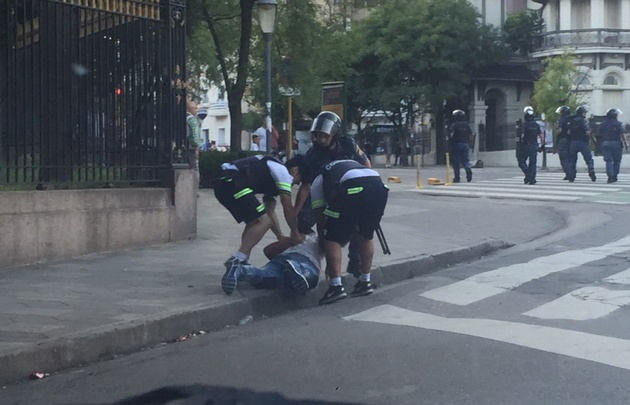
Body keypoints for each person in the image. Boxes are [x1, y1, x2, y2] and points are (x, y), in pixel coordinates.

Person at [294, 111, 371, 279]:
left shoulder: (348, 145)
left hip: (349, 192)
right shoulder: (312, 155)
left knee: (357, 226)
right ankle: (309, 258)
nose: (321, 140)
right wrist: (294, 214)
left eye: (325, 136)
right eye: (318, 136)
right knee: (304, 221)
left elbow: (366, 164)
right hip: (323, 192)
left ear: (334, 134)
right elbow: (306, 186)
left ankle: (355, 262)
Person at [215, 155, 303, 294]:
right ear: (294, 170)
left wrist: (280, 236)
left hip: (224, 184)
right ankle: (237, 260)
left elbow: (270, 211)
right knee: (263, 221)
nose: (296, 185)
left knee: (255, 222)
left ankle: (241, 264)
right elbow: (287, 207)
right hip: (234, 183)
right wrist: (295, 233)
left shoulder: (271, 173)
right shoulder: (283, 173)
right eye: (299, 181)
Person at [311, 159, 389, 305]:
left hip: (353, 187)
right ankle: (365, 282)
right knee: (365, 235)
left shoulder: (317, 181)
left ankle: (335, 286)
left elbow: (319, 214)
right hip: (379, 186)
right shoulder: (344, 164)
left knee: (331, 236)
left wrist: (324, 238)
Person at [220, 230, 322, 295]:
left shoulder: (296, 241)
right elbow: (332, 252)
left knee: (263, 276)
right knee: (312, 278)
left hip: (280, 259)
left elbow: (269, 250)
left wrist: (285, 243)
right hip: (304, 260)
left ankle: (240, 270)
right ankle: (297, 269)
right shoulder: (315, 241)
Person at [567, 105, 596, 182]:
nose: (585, 114)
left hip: (573, 142)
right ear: (581, 113)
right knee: (588, 159)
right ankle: (591, 171)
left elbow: (568, 132)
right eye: (584, 113)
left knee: (572, 160)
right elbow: (587, 131)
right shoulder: (583, 121)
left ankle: (572, 176)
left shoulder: (572, 121)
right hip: (583, 142)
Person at [517, 106, 544, 185]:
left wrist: (519, 145)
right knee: (533, 163)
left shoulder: (524, 125)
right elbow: (541, 136)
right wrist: (541, 146)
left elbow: (521, 136)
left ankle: (528, 175)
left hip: (525, 145)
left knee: (521, 161)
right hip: (534, 145)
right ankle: (531, 178)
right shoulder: (536, 125)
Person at [447, 110, 474, 183]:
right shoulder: (466, 125)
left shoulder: (454, 125)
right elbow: (471, 135)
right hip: (465, 144)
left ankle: (457, 178)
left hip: (456, 144)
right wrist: (470, 143)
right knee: (466, 160)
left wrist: (449, 143)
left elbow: (451, 136)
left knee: (456, 162)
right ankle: (468, 169)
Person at [600, 108, 625, 183]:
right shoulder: (618, 124)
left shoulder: (603, 124)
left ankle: (610, 176)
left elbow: (598, 134)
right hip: (616, 143)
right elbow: (622, 134)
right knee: (617, 161)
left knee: (608, 160)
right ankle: (614, 176)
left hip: (606, 143)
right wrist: (626, 144)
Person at [554, 105, 572, 180]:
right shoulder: (571, 119)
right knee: (569, 157)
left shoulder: (561, 120)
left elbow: (559, 130)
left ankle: (568, 173)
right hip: (570, 140)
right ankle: (571, 172)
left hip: (562, 139)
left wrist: (556, 134)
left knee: (563, 157)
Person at [186, 99, 200, 171]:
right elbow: (194, 134)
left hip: (183, 147)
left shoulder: (183, 117)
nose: (196, 110)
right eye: (195, 108)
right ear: (190, 109)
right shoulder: (192, 119)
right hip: (191, 148)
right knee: (194, 169)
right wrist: (196, 147)